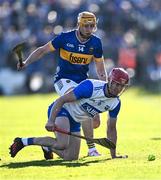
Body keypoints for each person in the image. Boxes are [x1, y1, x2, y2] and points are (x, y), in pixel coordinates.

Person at [17, 11, 107, 158]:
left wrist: (103, 93)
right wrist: (26, 62)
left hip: (82, 83)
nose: (89, 29)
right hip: (62, 81)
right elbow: (43, 50)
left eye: (92, 26)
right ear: (79, 24)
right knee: (83, 103)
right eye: (86, 26)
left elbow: (101, 69)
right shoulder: (65, 38)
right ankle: (92, 149)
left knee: (93, 123)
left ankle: (49, 146)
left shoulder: (96, 42)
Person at [10, 68, 129, 160]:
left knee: (71, 157)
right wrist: (51, 120)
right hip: (62, 110)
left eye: (122, 86)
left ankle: (48, 146)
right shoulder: (91, 87)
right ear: (110, 81)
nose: (118, 89)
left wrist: (113, 156)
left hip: (75, 120)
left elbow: (111, 129)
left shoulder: (115, 103)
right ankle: (23, 141)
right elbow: (61, 100)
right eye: (117, 84)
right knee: (62, 144)